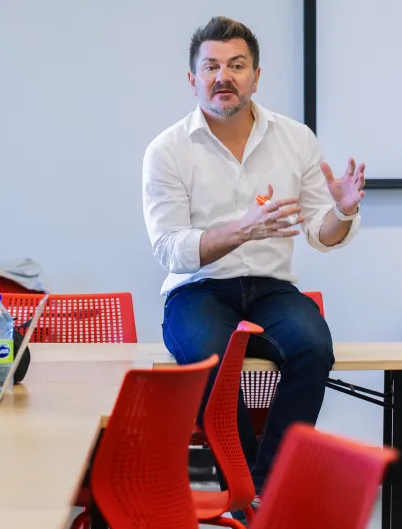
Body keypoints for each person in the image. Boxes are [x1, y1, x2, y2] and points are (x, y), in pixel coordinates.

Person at [142, 17, 365, 499]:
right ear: (193, 79)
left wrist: (343, 212)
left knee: (313, 347)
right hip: (198, 288)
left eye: (237, 65)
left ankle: (268, 487)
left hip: (270, 287)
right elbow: (170, 249)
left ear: (256, 76)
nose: (224, 76)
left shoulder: (295, 139)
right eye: (212, 66)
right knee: (209, 359)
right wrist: (240, 229)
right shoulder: (167, 151)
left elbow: (320, 233)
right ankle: (246, 492)